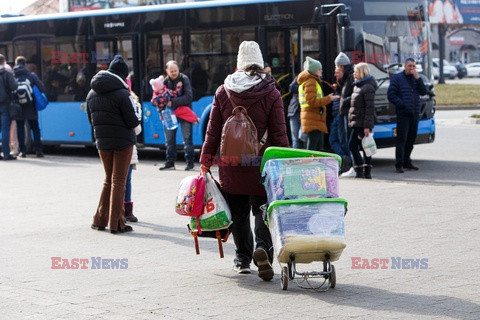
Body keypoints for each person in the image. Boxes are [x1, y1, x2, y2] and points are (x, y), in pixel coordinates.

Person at [199, 41, 289, 281]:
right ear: (260, 62)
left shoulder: (223, 90)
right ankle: (264, 250)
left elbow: (213, 131)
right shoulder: (271, 92)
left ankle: (242, 259)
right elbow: (279, 133)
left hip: (231, 164)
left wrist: (206, 159)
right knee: (263, 209)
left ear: (239, 63)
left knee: (238, 213)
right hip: (261, 162)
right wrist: (285, 161)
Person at [87, 55, 140, 234]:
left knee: (108, 180)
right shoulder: (122, 93)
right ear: (122, 76)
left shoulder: (91, 93)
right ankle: (117, 223)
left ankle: (99, 220)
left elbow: (90, 120)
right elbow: (132, 120)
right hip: (123, 142)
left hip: (102, 142)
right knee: (119, 181)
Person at [387, 58, 427, 173]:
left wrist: (418, 79)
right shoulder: (397, 78)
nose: (412, 68)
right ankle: (399, 164)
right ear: (405, 66)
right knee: (402, 139)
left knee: (411, 139)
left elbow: (423, 92)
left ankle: (407, 161)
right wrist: (402, 105)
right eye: (410, 66)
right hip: (403, 114)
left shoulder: (416, 79)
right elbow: (391, 95)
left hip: (414, 114)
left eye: (414, 66)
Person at [159, 60, 195, 171]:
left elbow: (189, 97)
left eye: (176, 70)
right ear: (167, 71)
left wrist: (172, 102)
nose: (174, 73)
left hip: (184, 113)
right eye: (171, 71)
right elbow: (158, 97)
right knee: (169, 140)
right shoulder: (164, 82)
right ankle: (170, 162)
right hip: (169, 114)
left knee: (187, 139)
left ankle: (190, 162)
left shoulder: (184, 79)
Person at [297, 56, 339, 151]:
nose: (321, 71)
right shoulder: (310, 81)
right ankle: (310, 165)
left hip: (312, 117)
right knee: (313, 147)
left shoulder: (309, 81)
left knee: (315, 146)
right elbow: (311, 101)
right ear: (314, 70)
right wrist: (328, 99)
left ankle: (312, 164)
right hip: (313, 117)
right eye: (319, 69)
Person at [13, 56, 46, 158]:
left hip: (17, 106)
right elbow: (42, 88)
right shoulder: (31, 75)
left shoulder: (12, 75)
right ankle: (38, 151)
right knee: (35, 128)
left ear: (16, 63)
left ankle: (22, 151)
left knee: (20, 129)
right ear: (25, 64)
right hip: (30, 106)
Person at [348, 63, 377, 179]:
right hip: (357, 121)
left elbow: (370, 108)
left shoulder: (367, 87)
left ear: (362, 72)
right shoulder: (357, 86)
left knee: (353, 145)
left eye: (356, 71)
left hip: (362, 123)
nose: (354, 74)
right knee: (364, 146)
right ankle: (365, 172)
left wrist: (367, 126)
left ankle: (361, 169)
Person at [334, 52, 355, 175]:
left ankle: (352, 166)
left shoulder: (350, 77)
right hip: (343, 112)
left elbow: (351, 95)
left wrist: (344, 100)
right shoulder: (346, 77)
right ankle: (350, 165)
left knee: (346, 140)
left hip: (347, 112)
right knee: (343, 139)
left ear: (341, 66)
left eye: (337, 66)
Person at [125, 90, 142, 223]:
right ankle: (127, 211)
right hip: (127, 144)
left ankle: (113, 211)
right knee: (126, 180)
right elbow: (137, 129)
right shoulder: (131, 103)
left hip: (106, 145)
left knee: (111, 180)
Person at [0, 54, 18, 160]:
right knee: (5, 128)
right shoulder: (7, 73)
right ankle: (6, 154)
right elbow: (14, 86)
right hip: (5, 104)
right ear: (4, 61)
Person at [286, 75, 303, 149]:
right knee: (296, 139)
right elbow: (291, 88)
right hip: (295, 111)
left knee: (303, 137)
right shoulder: (300, 77)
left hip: (305, 112)